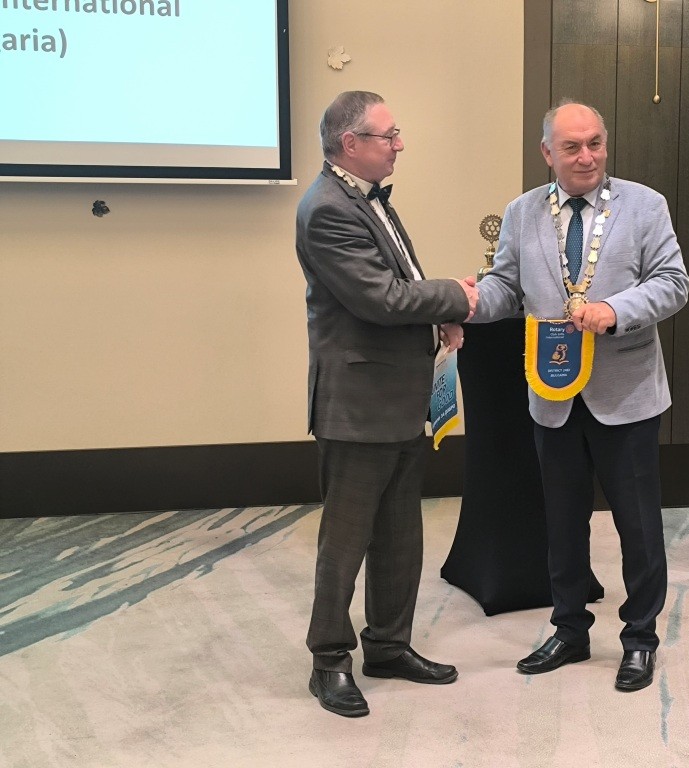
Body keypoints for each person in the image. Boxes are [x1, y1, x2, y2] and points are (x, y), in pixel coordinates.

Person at [468, 100, 689, 692]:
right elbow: (506, 287)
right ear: (547, 153)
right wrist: (470, 301)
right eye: (572, 147)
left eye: (595, 143)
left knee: (638, 527)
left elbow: (674, 283)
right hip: (553, 394)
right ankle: (569, 629)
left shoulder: (645, 205)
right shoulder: (521, 213)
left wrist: (614, 310)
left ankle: (640, 638)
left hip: (627, 395)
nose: (587, 156)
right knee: (562, 523)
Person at [296, 90, 477, 717]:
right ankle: (328, 660)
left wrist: (439, 319)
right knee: (345, 543)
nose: (400, 144)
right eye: (388, 134)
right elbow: (380, 298)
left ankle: (388, 646)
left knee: (400, 536)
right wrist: (457, 297)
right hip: (358, 405)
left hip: (399, 397)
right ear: (351, 144)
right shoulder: (327, 209)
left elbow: (402, 286)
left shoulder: (366, 197)